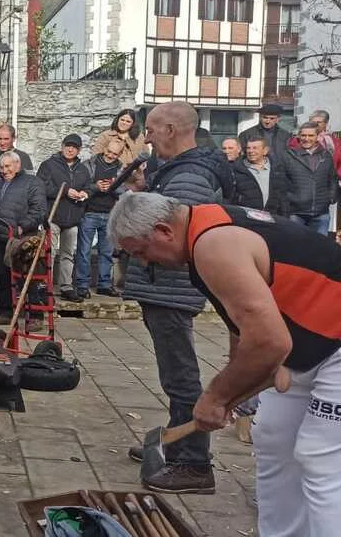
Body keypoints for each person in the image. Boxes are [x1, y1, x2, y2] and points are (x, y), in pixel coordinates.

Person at [109, 193, 341, 534]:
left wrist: (215, 397)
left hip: (332, 342)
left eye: (141, 252)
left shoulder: (214, 245)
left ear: (163, 231)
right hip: (310, 342)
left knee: (320, 456)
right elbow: (244, 325)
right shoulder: (205, 227)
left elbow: (270, 342)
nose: (144, 263)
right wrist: (236, 389)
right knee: (273, 439)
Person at [121, 101, 231, 494]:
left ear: (171, 129)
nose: (146, 138)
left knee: (180, 376)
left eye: (151, 130)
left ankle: (193, 463)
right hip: (164, 286)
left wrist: (135, 205)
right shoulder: (178, 171)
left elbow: (169, 233)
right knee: (175, 374)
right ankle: (175, 441)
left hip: (171, 287)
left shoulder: (189, 176)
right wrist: (145, 190)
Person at [0, 151, 48, 326]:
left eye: (8, 166)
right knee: (2, 276)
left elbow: (39, 210)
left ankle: (35, 316)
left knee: (27, 277)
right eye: (2, 167)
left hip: (22, 238)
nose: (4, 170)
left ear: (18, 165)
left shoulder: (32, 182)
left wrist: (22, 226)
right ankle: (5, 311)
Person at [37, 135, 91, 302]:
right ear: (62, 146)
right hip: (53, 216)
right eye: (68, 146)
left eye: (74, 147)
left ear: (79, 150)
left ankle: (66, 286)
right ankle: (45, 286)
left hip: (73, 217)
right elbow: (41, 187)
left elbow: (89, 186)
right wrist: (66, 191)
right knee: (49, 253)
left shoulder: (83, 169)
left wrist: (85, 193)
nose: (70, 149)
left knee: (68, 254)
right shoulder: (48, 165)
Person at [73, 139, 125, 300]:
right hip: (89, 212)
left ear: (120, 154)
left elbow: (126, 190)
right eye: (108, 151)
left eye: (114, 154)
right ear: (104, 148)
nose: (110, 156)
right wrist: (96, 187)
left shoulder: (122, 169)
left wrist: (113, 186)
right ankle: (82, 285)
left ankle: (104, 285)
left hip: (110, 214)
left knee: (107, 252)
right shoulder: (89, 165)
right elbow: (80, 185)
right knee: (84, 251)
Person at [280, 121, 336, 236]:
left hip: (321, 212)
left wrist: (331, 197)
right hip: (296, 212)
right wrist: (287, 202)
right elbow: (280, 182)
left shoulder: (326, 156)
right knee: (296, 244)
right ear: (298, 136)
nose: (306, 139)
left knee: (319, 245)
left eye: (311, 135)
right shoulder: (288, 156)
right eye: (303, 135)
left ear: (317, 137)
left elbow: (332, 179)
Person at [230, 137, 286, 215]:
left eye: (255, 148)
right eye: (248, 148)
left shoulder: (277, 169)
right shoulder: (236, 169)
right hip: (246, 216)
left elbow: (282, 197)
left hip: (272, 216)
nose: (250, 151)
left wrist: (284, 216)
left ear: (265, 151)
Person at [0, 124, 34, 189]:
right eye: (0, 139)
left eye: (6, 139)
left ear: (14, 139)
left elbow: (31, 184)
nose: (2, 143)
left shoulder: (24, 158)